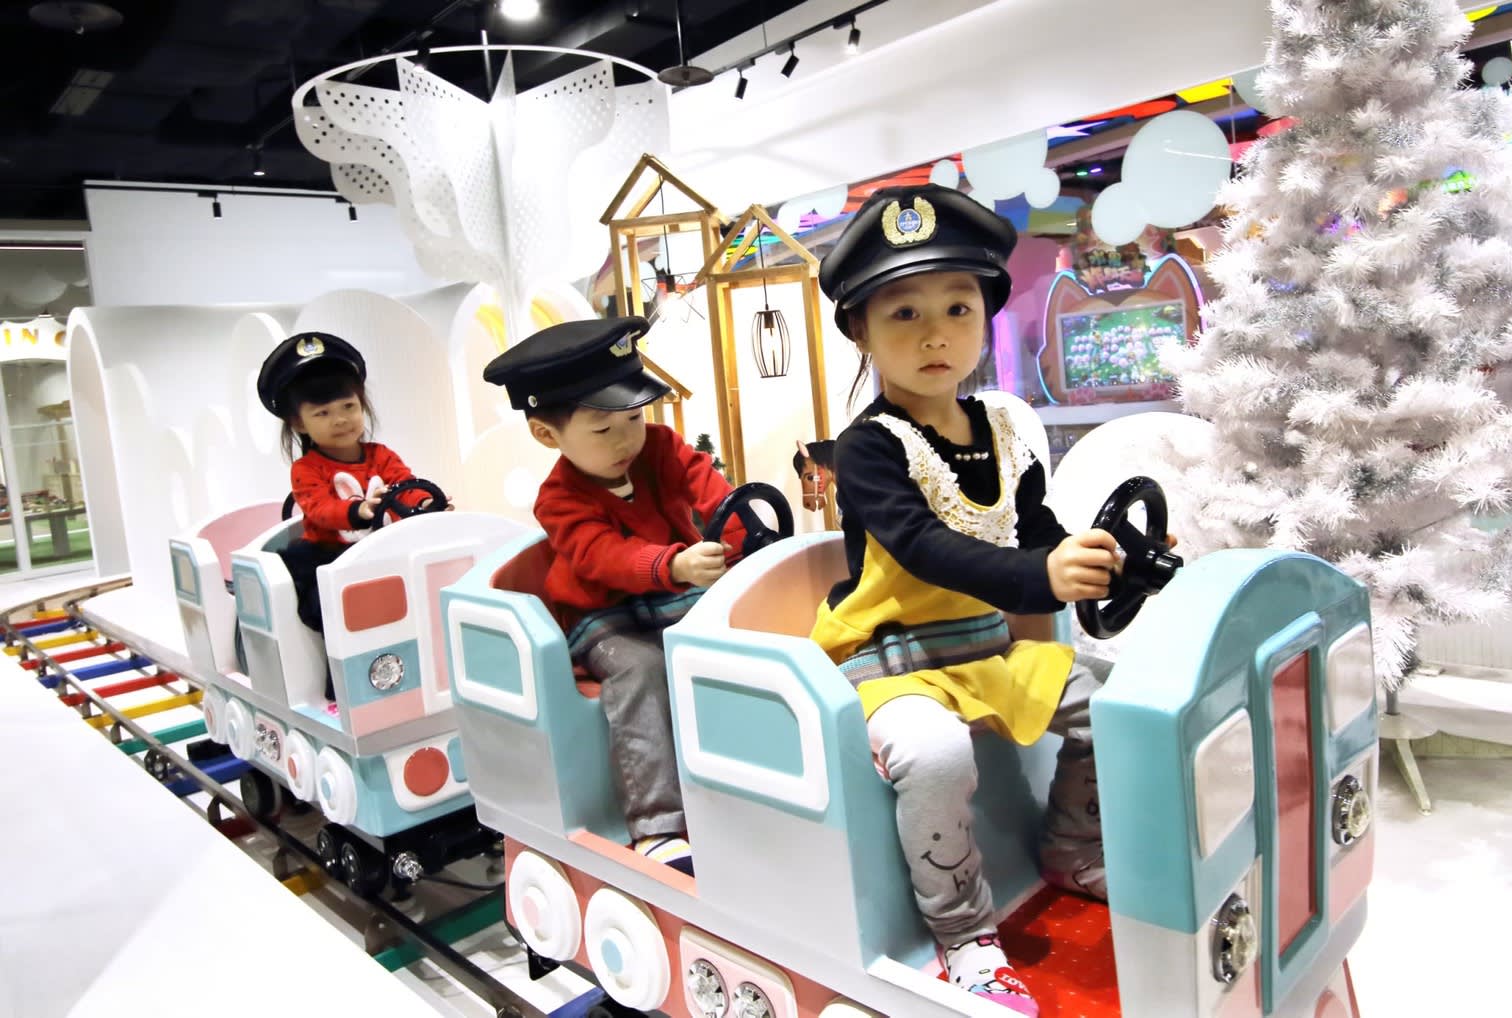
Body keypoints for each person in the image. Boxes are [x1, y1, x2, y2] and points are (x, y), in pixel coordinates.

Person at [811, 184, 1174, 1017]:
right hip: (893, 665)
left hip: (986, 649)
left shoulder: (1006, 432)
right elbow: (923, 546)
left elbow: (1037, 531)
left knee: (1110, 703)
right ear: (860, 330)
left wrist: (1107, 561)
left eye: (958, 308)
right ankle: (964, 932)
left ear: (986, 315)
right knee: (935, 755)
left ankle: (1072, 847)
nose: (936, 334)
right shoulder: (869, 448)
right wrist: (1040, 578)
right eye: (904, 314)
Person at [483, 318, 746, 877]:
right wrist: (672, 563)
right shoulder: (557, 499)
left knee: (736, 642)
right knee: (642, 670)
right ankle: (656, 825)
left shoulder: (661, 448)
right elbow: (601, 555)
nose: (626, 439)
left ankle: (738, 790)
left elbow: (712, 491)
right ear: (547, 435)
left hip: (672, 599)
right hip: (602, 616)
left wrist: (745, 534)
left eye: (633, 418)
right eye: (603, 429)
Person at [257, 332, 444, 704]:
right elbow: (319, 508)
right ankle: (340, 688)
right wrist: (356, 511)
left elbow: (404, 484)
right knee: (335, 610)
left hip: (380, 553)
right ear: (299, 424)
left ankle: (420, 669)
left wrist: (425, 502)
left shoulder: (381, 455)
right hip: (327, 557)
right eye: (322, 413)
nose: (340, 420)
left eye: (348, 406)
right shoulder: (307, 469)